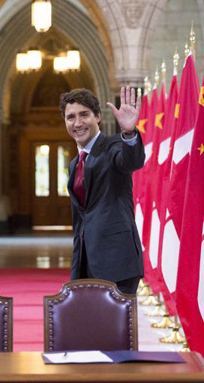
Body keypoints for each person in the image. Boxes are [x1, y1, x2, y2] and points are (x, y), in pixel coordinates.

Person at [60, 87, 144, 295]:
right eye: (71, 117)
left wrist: (129, 133)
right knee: (90, 326)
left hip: (117, 263)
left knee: (118, 327)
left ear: (97, 116)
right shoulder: (74, 165)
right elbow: (81, 220)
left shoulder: (114, 145)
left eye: (84, 115)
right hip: (86, 263)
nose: (77, 123)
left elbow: (131, 161)